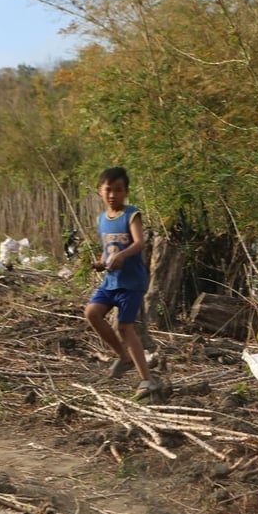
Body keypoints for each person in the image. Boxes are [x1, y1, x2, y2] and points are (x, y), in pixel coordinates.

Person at [83, 167, 168, 402]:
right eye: (108, 190)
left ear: (126, 192)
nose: (113, 195)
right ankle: (123, 356)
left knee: (125, 327)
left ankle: (146, 379)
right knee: (92, 313)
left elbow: (139, 242)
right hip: (111, 281)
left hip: (131, 282)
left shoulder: (131, 214)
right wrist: (101, 263)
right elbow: (107, 249)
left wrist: (123, 256)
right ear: (100, 191)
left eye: (118, 190)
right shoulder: (101, 219)